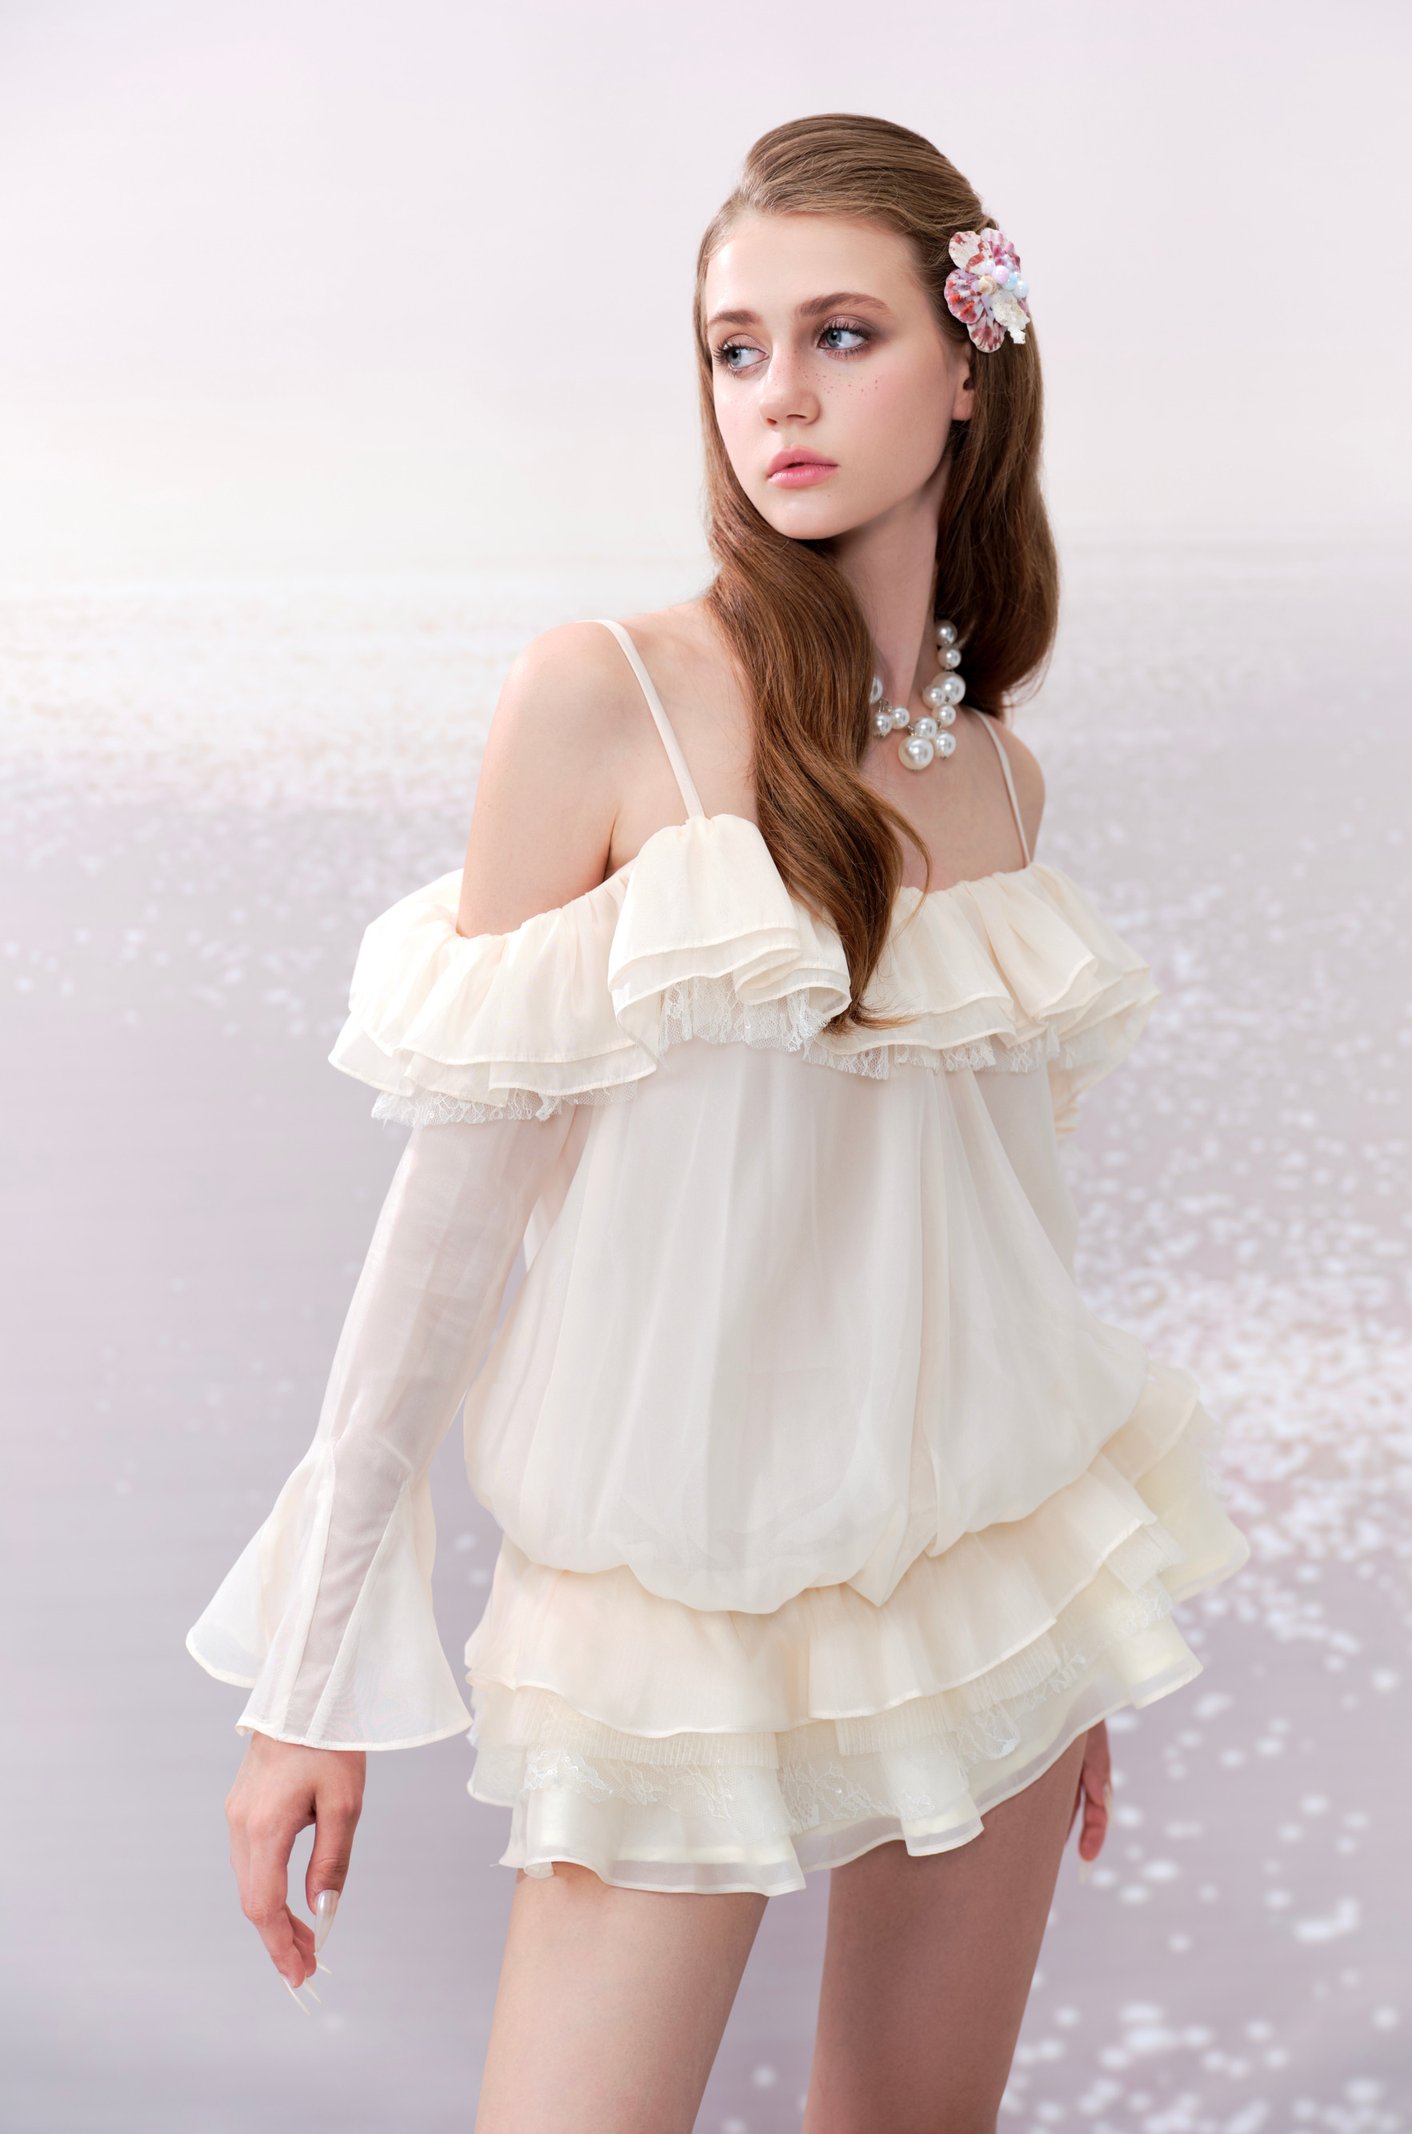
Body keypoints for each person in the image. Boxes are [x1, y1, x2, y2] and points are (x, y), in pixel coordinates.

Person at [186, 112, 1251, 2134]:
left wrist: (1054, 1640)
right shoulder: (608, 698)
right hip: (664, 1614)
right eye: (734, 347)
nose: (776, 394)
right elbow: (448, 1224)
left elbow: (994, 1235)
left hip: (988, 1590)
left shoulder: (998, 781)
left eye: (839, 333)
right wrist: (308, 1685)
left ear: (969, 362)